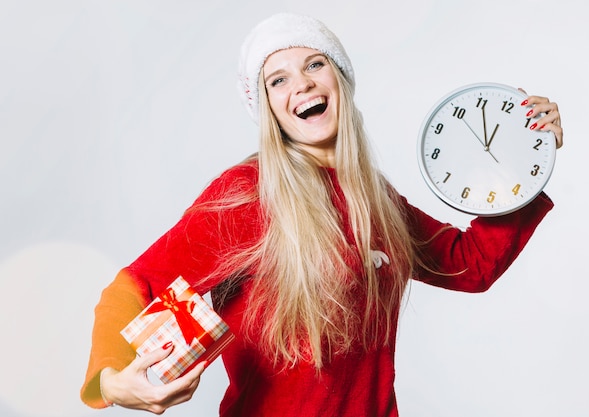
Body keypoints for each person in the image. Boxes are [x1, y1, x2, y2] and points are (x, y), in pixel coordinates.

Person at [80, 12, 563, 417]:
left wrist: (529, 157)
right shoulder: (249, 194)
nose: (302, 83)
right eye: (278, 79)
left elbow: (471, 264)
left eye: (315, 63)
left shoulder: (376, 198)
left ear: (341, 80)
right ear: (267, 105)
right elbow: (134, 284)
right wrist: (113, 382)